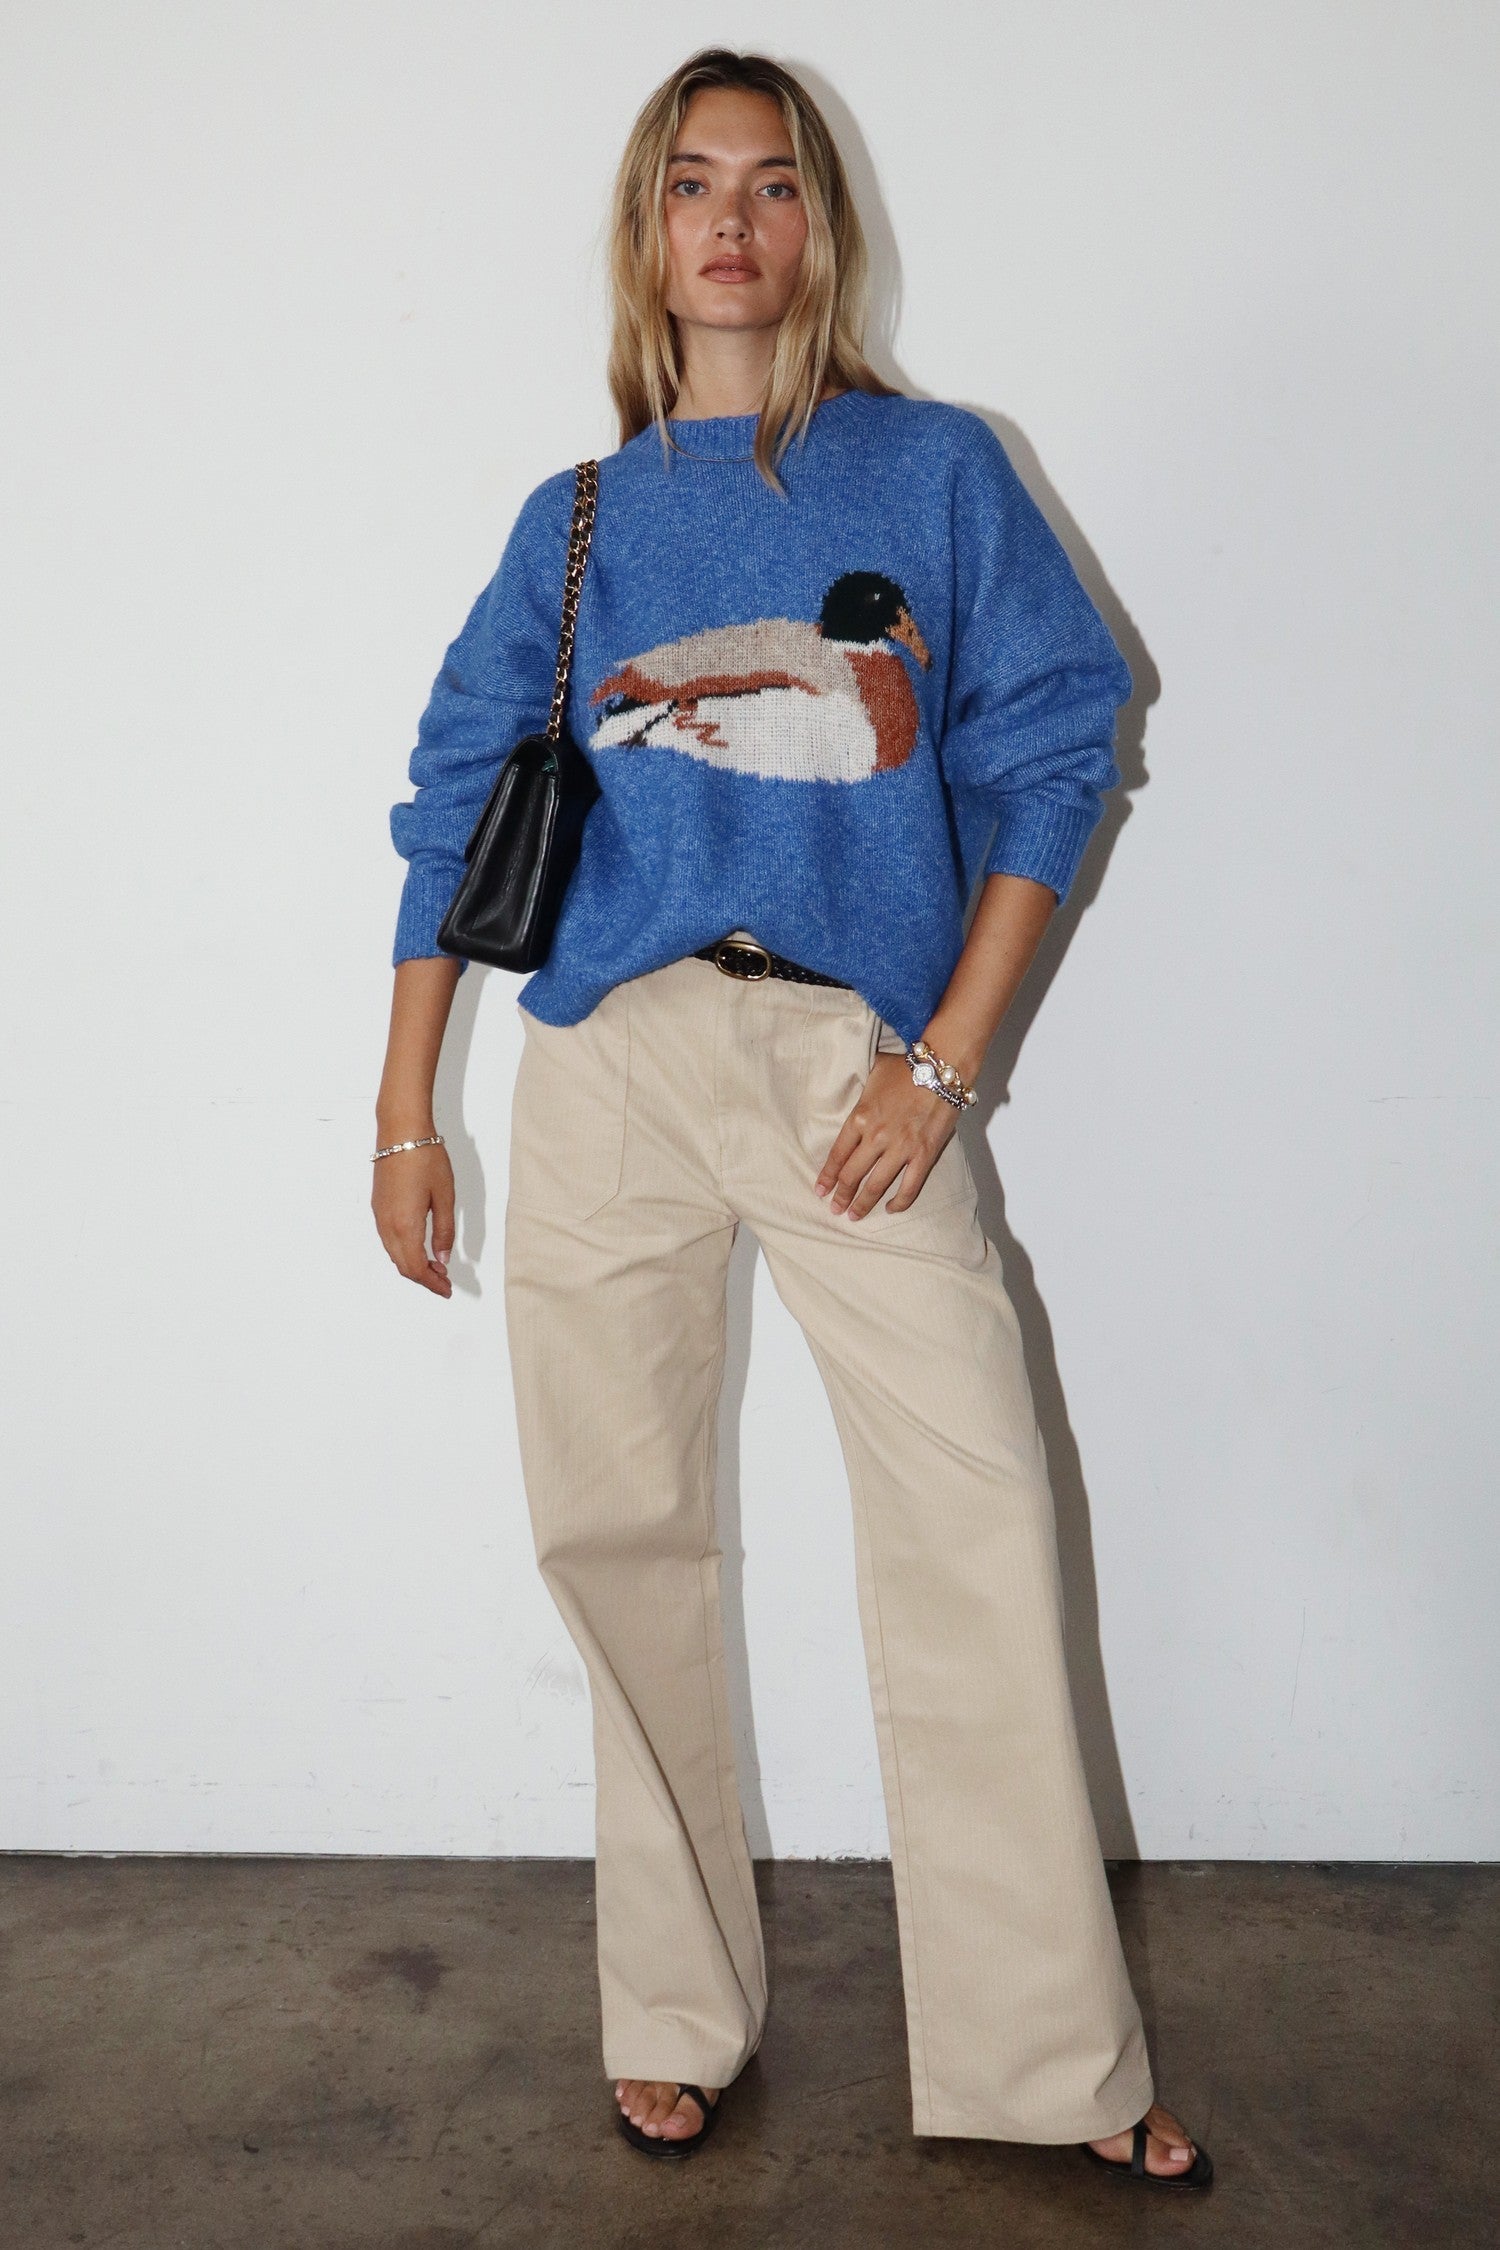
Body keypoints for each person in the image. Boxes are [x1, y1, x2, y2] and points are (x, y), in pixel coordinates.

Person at [372, 45, 1212, 2195]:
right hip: (614, 1067)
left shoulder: (933, 471)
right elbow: (456, 796)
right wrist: (404, 1109)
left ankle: (1050, 2060)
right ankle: (670, 2012)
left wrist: (943, 1065)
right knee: (619, 1534)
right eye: (690, 184)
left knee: (978, 1518)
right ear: (647, 233)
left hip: (851, 1065)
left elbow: (1057, 747)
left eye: (769, 183)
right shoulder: (576, 521)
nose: (731, 222)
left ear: (819, 224)